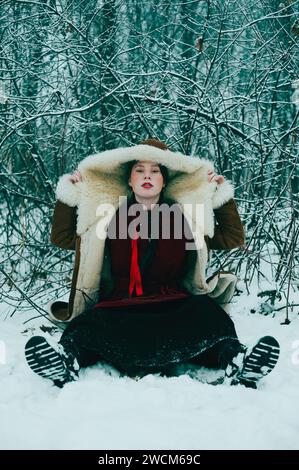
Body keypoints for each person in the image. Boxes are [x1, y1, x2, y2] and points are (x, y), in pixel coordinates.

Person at [25, 139, 280, 389]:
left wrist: (219, 195)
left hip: (173, 308)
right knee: (84, 328)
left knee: (211, 317)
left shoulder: (184, 217)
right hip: (120, 309)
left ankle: (237, 360)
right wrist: (69, 194)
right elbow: (62, 237)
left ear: (164, 180)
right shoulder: (109, 216)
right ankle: (65, 361)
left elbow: (231, 238)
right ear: (129, 179)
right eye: (140, 170)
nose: (147, 176)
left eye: (155, 171)